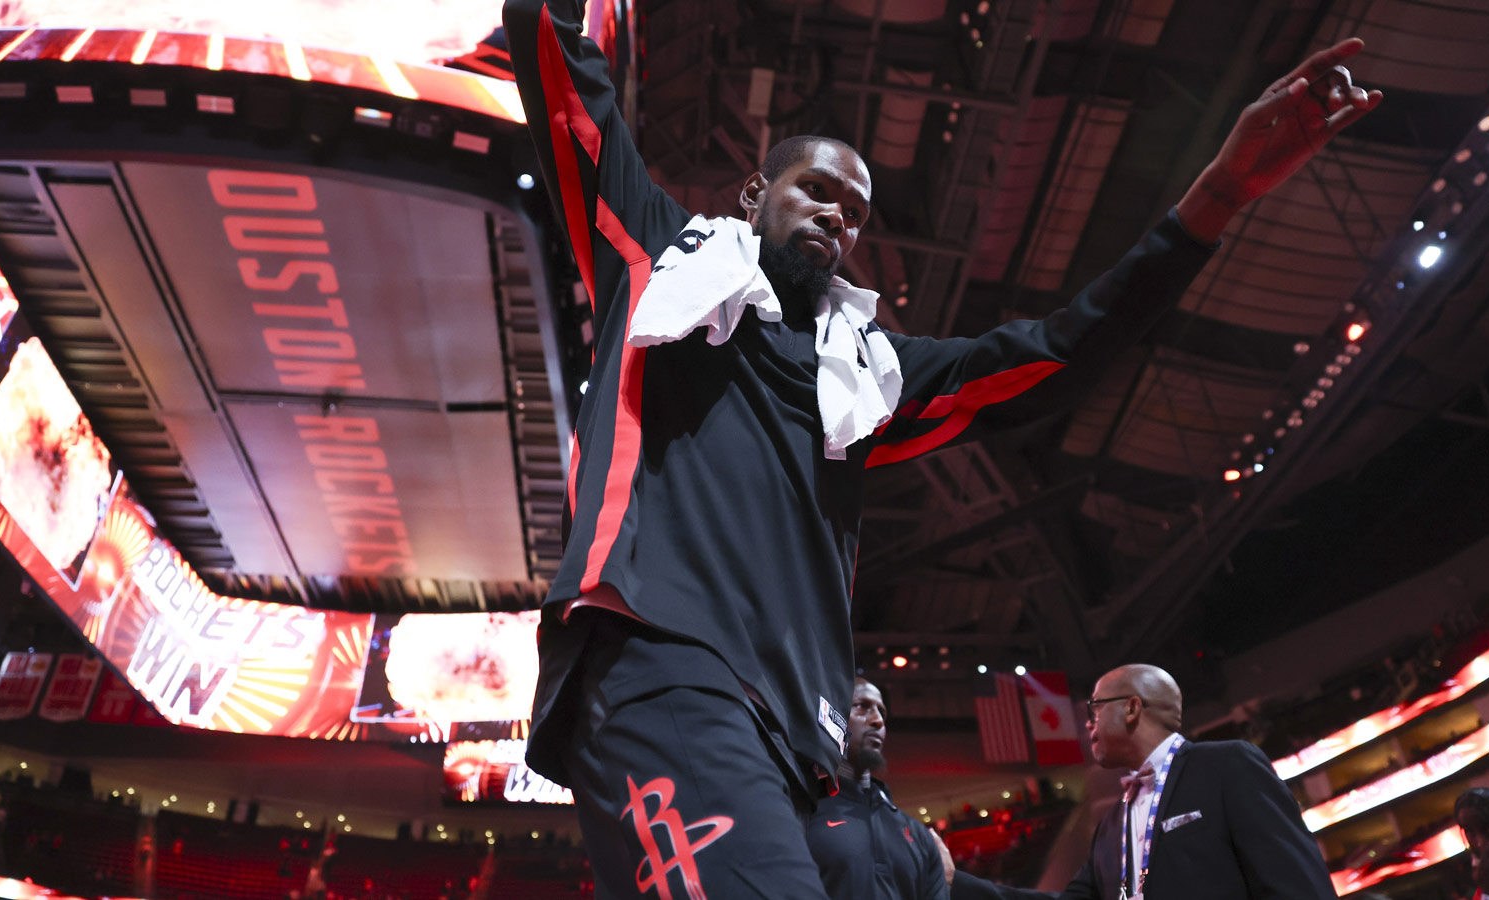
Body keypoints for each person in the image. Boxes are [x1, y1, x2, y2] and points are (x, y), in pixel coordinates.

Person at [501, 0, 1381, 895]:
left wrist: (1217, 198)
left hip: (796, 740)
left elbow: (1055, 353)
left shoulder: (872, 374)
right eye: (815, 189)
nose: (837, 217)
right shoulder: (661, 259)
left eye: (855, 212)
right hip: (661, 661)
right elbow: (571, 89)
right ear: (754, 195)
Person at [942, 664, 1336, 900]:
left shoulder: (1226, 765)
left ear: (1132, 708)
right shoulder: (1111, 825)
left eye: (1095, 708)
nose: (1087, 723)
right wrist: (955, 884)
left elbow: (1298, 884)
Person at [805, 678, 947, 900]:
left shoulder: (919, 835)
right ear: (832, 716)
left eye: (882, 713)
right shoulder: (800, 811)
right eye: (862, 706)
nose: (878, 721)